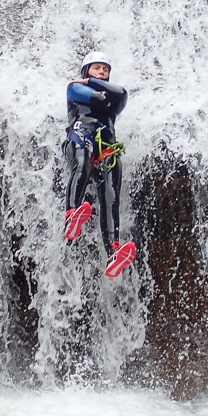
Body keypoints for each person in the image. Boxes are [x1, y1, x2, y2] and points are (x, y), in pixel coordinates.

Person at [63, 51, 134, 277]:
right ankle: (71, 215)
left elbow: (121, 94)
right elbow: (102, 100)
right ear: (86, 70)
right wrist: (92, 86)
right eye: (96, 68)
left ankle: (113, 251)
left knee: (111, 192)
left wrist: (92, 81)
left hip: (107, 147)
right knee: (83, 163)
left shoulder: (106, 90)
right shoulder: (74, 88)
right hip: (80, 137)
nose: (102, 72)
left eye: (105, 70)